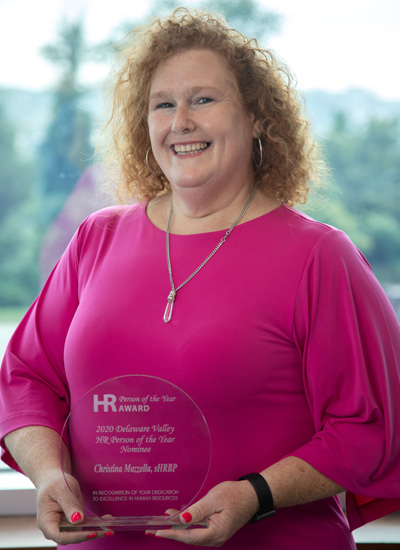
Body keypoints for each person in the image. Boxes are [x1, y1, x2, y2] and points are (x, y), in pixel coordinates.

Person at [1, 8, 400, 550]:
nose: (180, 121)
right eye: (163, 104)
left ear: (259, 117)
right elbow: (26, 378)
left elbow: (369, 428)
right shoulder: (97, 239)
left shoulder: (320, 257)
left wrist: (255, 495)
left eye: (203, 100)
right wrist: (49, 474)